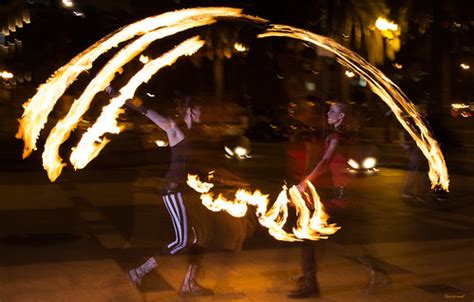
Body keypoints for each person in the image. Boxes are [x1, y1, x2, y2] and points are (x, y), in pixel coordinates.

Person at [106, 86, 214, 296]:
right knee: (182, 241)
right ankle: (138, 272)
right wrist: (116, 93)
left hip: (185, 191)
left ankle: (189, 284)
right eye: (199, 109)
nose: (203, 113)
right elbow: (144, 110)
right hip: (173, 192)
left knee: (200, 236)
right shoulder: (174, 127)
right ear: (189, 110)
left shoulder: (193, 132)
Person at [288, 102, 390, 298]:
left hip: (343, 196)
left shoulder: (336, 136)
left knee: (310, 237)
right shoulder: (339, 135)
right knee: (346, 241)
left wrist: (304, 184)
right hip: (343, 194)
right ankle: (379, 272)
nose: (328, 112)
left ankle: (310, 284)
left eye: (333, 111)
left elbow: (325, 161)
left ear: (341, 117)